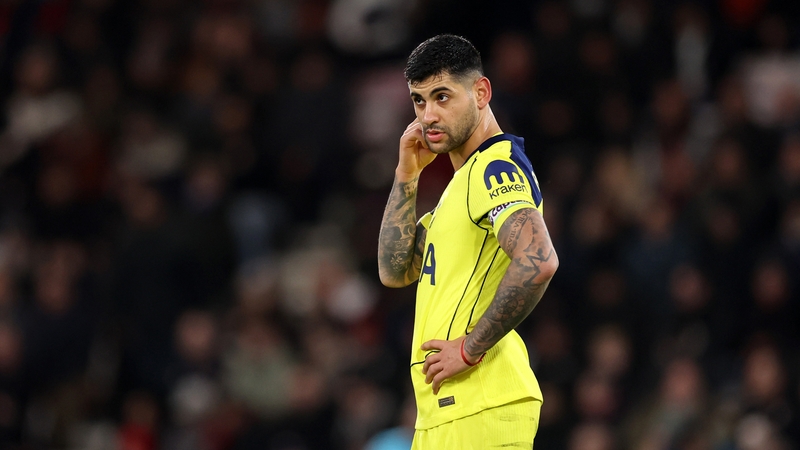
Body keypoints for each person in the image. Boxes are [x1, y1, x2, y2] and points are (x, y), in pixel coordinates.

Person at [377, 34, 559, 449]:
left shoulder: (495, 166)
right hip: (446, 414)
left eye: (442, 96)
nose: (428, 115)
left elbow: (539, 259)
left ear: (481, 92)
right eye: (419, 101)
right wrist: (406, 175)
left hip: (480, 403)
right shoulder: (460, 188)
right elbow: (393, 270)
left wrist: (470, 348)